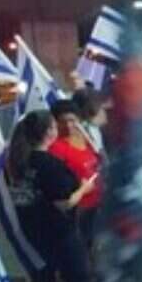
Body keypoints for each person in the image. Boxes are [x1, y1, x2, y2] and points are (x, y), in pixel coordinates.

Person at [6, 110, 112, 282]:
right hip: (59, 231)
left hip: (33, 233)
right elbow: (64, 202)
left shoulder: (18, 164)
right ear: (49, 132)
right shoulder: (48, 164)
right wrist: (84, 188)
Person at [48, 100, 104, 254]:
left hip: (98, 202)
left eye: (72, 120)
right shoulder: (55, 147)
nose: (68, 126)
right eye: (62, 122)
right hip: (79, 209)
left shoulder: (85, 136)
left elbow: (97, 159)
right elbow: (58, 180)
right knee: (85, 248)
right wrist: (80, 187)